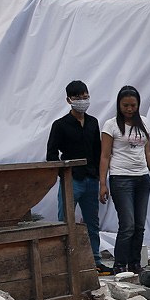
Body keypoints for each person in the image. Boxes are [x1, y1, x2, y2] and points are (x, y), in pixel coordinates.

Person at [99, 85, 150, 273]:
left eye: (133, 105)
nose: (129, 109)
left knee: (139, 225)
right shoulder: (111, 125)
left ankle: (135, 263)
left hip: (142, 178)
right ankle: (120, 265)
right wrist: (103, 183)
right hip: (121, 179)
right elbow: (105, 156)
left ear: (138, 105)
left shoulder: (144, 123)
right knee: (127, 224)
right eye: (125, 105)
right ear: (119, 105)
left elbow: (148, 152)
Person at [46, 80, 107, 274]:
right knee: (65, 221)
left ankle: (95, 260)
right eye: (78, 97)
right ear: (69, 100)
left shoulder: (93, 122)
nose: (82, 101)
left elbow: (98, 152)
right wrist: (63, 173)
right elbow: (51, 155)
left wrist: (100, 178)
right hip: (71, 179)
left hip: (91, 179)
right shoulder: (60, 125)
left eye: (85, 97)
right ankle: (65, 261)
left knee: (92, 222)